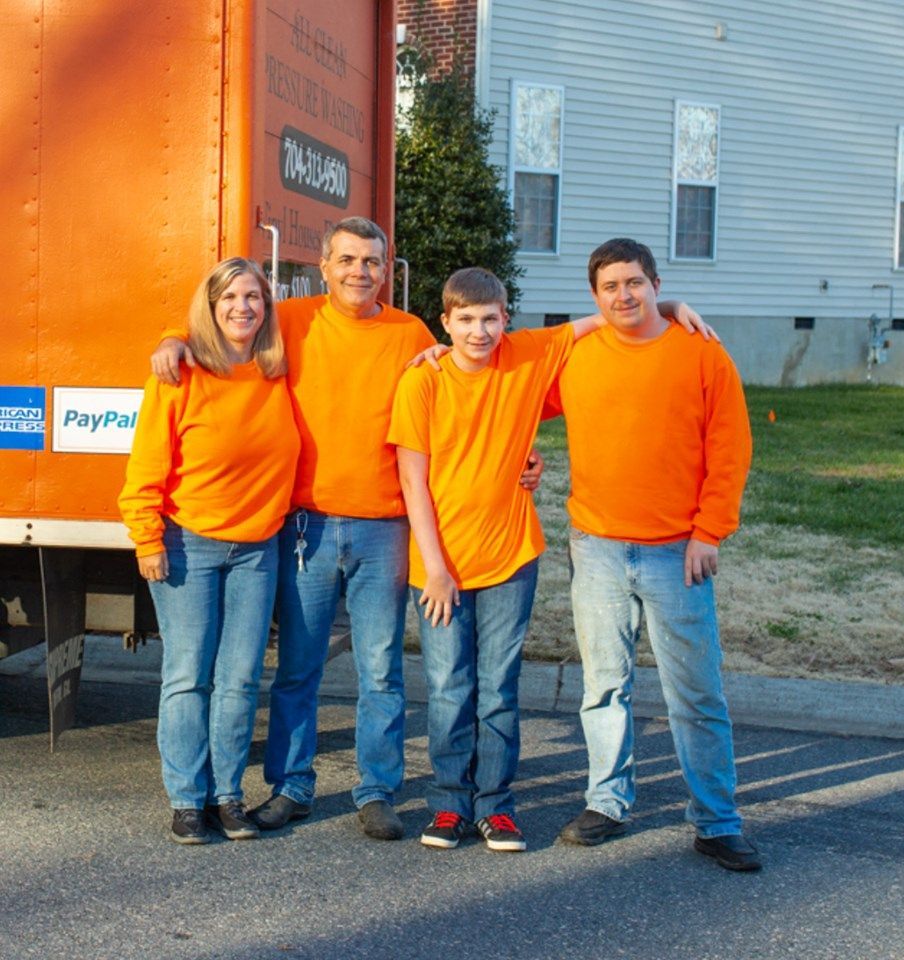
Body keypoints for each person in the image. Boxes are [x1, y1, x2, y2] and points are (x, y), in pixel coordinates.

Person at [150, 218, 541, 841]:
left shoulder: (413, 333)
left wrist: (523, 456)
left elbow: (465, 402)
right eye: (349, 260)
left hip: (386, 526)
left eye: (373, 261)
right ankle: (291, 786)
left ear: (387, 271)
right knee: (298, 667)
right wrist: (173, 338)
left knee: (380, 668)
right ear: (324, 266)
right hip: (304, 526)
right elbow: (225, 320)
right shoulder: (293, 321)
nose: (361, 271)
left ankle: (377, 788)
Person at [547, 238, 759, 871]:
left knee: (695, 691)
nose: (623, 295)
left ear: (655, 284)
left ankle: (716, 820)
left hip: (677, 551)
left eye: (634, 283)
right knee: (603, 685)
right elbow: (504, 401)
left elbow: (730, 446)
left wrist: (709, 531)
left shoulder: (699, 353)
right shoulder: (576, 356)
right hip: (598, 548)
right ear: (594, 295)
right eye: (610, 286)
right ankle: (607, 801)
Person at [388, 267, 615, 851]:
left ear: (506, 318)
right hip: (439, 566)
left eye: (490, 318)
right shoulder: (424, 381)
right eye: (465, 319)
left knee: (498, 687)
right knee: (447, 686)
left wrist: (676, 305)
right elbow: (413, 482)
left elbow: (608, 316)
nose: (479, 331)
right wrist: (435, 569)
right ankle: (447, 805)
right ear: (446, 322)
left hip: (511, 557)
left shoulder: (528, 355)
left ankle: (496, 805)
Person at [119, 258, 299, 845]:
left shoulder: (280, 370)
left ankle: (227, 795)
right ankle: (186, 800)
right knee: (188, 675)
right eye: (229, 297)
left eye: (253, 296)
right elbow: (146, 465)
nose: (243, 307)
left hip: (258, 549)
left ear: (267, 306)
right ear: (211, 305)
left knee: (241, 678)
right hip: (187, 542)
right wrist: (147, 537)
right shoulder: (180, 374)